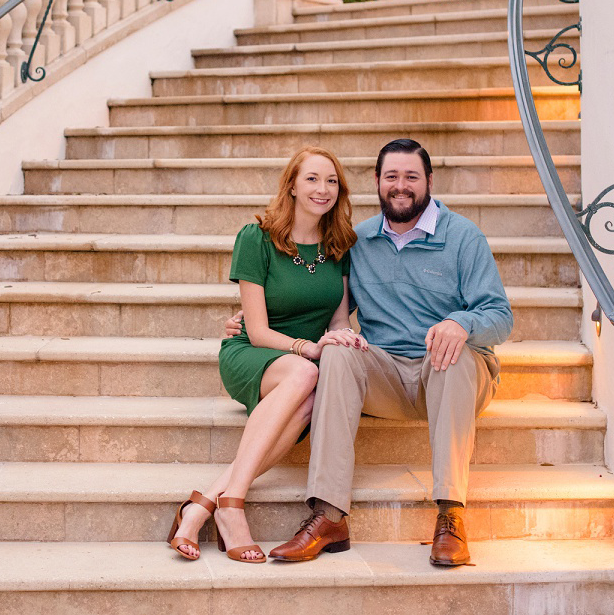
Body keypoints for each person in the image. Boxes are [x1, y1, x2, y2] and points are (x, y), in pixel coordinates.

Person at [226, 138, 513, 566]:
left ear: (429, 181)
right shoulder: (355, 242)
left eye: (411, 177)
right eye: (391, 177)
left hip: (452, 374)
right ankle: (328, 515)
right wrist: (246, 319)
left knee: (451, 354)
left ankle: (451, 515)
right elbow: (322, 304)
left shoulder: (462, 237)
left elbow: (501, 315)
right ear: (377, 182)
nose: (401, 186)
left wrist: (463, 323)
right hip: (388, 374)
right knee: (338, 354)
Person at [167, 146, 366, 563]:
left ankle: (202, 505)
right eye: (311, 179)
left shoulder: (340, 245)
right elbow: (255, 332)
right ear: (292, 185)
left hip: (302, 365)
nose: (322, 189)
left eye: (331, 181)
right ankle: (233, 508)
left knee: (311, 397)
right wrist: (307, 349)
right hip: (254, 355)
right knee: (305, 377)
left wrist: (343, 339)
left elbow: (338, 319)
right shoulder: (256, 237)